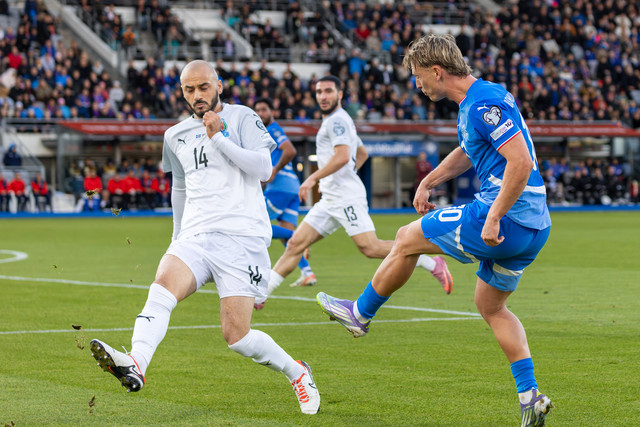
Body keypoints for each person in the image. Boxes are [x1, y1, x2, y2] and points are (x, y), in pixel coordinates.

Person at [316, 35, 553, 427]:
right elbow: (468, 150)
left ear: (437, 71)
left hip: (506, 217)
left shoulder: (482, 104)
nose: (416, 83)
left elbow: (522, 162)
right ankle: (530, 397)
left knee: (406, 238)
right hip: (535, 227)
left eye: (418, 75)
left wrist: (494, 215)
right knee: (491, 306)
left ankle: (359, 313)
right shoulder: (481, 98)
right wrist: (429, 181)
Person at [89, 60, 320, 415]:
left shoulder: (242, 117)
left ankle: (297, 372)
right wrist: (176, 237)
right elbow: (179, 189)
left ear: (219, 86)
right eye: (189, 89)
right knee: (161, 289)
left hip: (241, 238)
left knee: (237, 337)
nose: (197, 95)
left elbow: (262, 169)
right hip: (195, 235)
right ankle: (136, 362)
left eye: (203, 87)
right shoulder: (175, 135)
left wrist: (219, 137)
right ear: (181, 92)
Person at [260, 75, 452, 306]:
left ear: (340, 94)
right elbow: (362, 154)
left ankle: (432, 263)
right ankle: (261, 295)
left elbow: (343, 156)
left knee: (370, 247)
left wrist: (313, 178)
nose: (323, 96)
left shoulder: (337, 121)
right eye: (319, 92)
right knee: (295, 244)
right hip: (330, 199)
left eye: (329, 91)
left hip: (346, 198)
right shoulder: (341, 120)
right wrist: (344, 175)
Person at [254, 97, 316, 293]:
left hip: (280, 187)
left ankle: (301, 238)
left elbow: (290, 150)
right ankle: (307, 273)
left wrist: (274, 170)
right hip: (292, 187)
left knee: (257, 223)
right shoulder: (265, 133)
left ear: (272, 112)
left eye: (264, 109)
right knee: (287, 239)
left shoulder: (273, 129)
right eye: (257, 111)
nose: (260, 114)